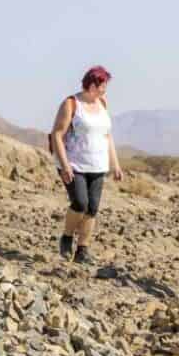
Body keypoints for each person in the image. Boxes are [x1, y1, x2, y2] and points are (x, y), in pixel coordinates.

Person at [50, 66, 123, 265]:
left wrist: (115, 164)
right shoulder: (71, 104)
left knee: (92, 209)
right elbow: (57, 134)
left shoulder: (103, 103)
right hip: (74, 164)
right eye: (103, 85)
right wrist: (65, 165)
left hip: (98, 165)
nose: (105, 89)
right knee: (80, 203)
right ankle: (66, 237)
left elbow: (107, 135)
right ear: (92, 85)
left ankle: (83, 249)